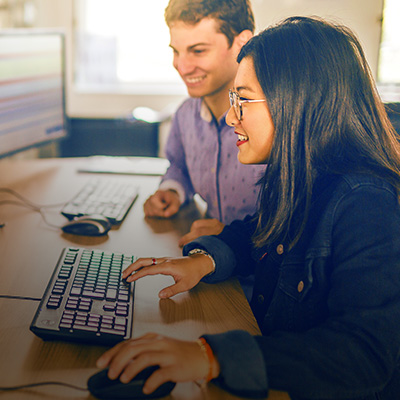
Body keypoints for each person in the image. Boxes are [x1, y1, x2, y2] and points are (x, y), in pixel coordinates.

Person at [97, 16, 400, 399]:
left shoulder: (366, 202)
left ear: (298, 100)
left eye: (242, 99)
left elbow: (364, 355)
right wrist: (204, 260)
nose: (229, 116)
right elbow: (260, 231)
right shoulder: (299, 173)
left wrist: (211, 357)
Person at [143, 0, 265, 247]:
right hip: (209, 263)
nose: (182, 66)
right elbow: (180, 166)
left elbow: (301, 228)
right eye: (176, 51)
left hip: (259, 278)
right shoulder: (185, 115)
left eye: (198, 51)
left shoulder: (274, 122)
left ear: (242, 43)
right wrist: (172, 190)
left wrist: (233, 238)